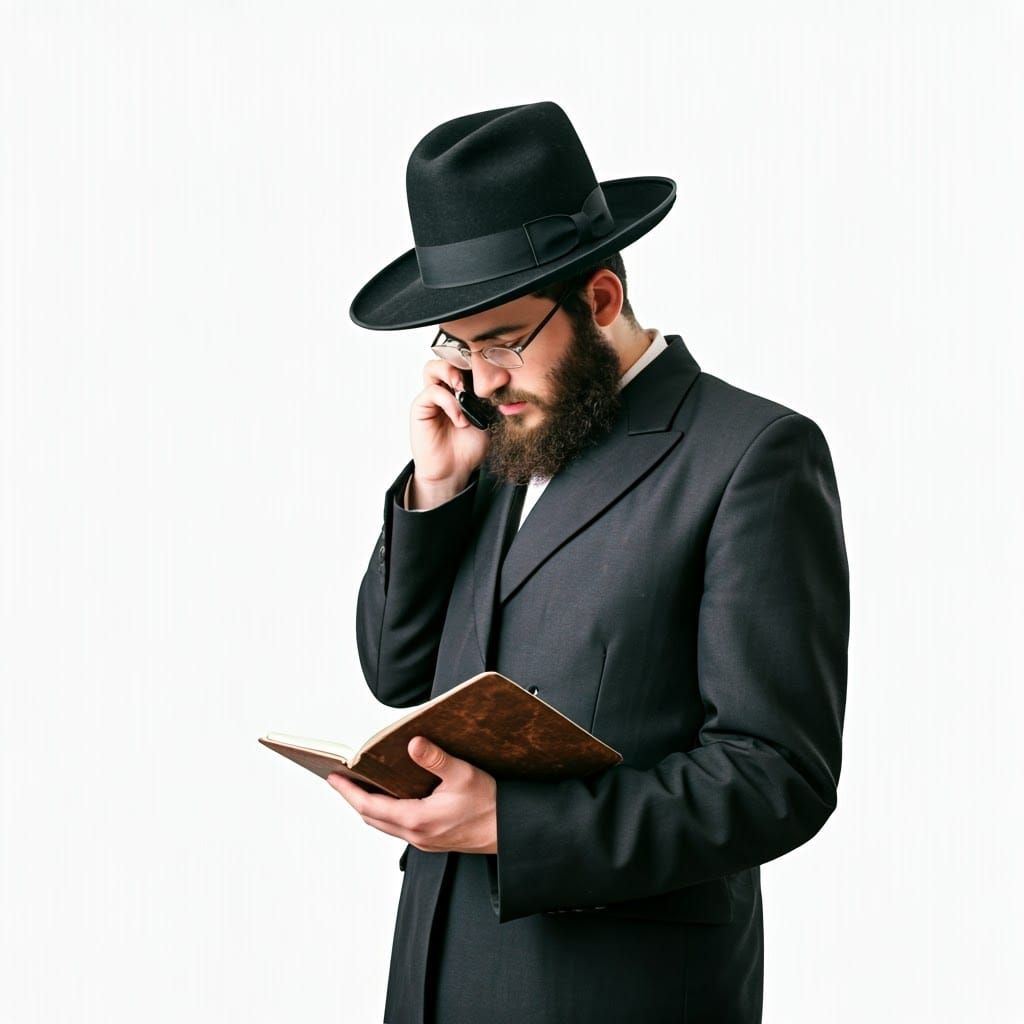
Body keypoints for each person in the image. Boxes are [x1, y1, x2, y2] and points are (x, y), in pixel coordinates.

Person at [328, 100, 850, 1024]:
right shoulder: (486, 444)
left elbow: (778, 775)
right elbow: (396, 672)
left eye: (502, 341)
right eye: (457, 343)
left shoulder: (751, 454)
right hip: (434, 977)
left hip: (616, 991)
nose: (480, 378)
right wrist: (436, 490)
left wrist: (516, 828)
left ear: (600, 299)